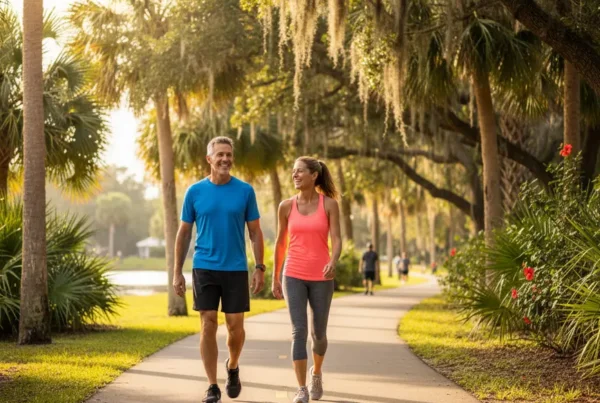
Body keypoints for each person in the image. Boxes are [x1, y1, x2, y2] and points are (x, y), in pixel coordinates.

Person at [173, 136, 266, 403]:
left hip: (236, 268)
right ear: (209, 159)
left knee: (235, 327)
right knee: (208, 324)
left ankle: (233, 366)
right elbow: (184, 233)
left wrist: (259, 267)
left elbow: (255, 232)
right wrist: (177, 271)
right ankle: (212, 385)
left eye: (229, 154)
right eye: (220, 154)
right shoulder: (195, 192)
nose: (225, 159)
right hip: (204, 266)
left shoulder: (245, 191)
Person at [272, 156, 342, 403]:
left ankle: (317, 373)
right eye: (293, 172)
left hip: (322, 276)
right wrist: (275, 276)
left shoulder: (329, 205)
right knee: (298, 331)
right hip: (293, 274)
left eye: (300, 171)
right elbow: (281, 243)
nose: (295, 175)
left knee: (319, 333)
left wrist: (333, 261)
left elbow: (337, 239)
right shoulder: (286, 206)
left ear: (314, 175)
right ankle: (301, 388)